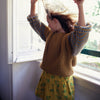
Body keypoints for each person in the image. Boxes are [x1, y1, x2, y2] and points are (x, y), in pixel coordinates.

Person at [27, 0, 91, 100]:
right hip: (47, 77)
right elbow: (35, 22)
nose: (48, 25)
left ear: (56, 21)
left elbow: (82, 32)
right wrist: (33, 4)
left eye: (49, 23)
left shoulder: (70, 40)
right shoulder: (50, 34)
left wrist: (80, 6)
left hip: (61, 83)